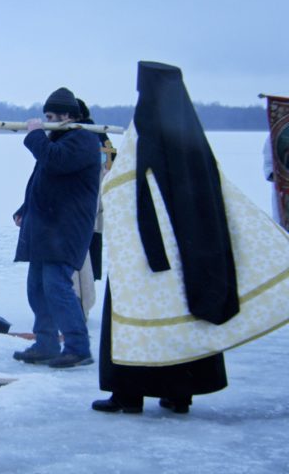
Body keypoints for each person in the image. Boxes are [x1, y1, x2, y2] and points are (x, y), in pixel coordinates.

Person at [92, 61, 233, 414]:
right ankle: (179, 390)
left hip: (146, 247)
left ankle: (129, 393)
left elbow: (137, 186)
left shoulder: (148, 126)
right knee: (179, 314)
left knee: (134, 315)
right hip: (187, 248)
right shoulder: (190, 131)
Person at [12, 87, 101, 369]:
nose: (47, 120)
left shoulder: (83, 139)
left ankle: (78, 346)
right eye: (45, 116)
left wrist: (35, 135)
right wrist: (24, 209)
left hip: (66, 228)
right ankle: (46, 342)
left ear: (67, 116)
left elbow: (55, 161)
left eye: (51, 116)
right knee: (37, 287)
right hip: (46, 226)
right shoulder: (60, 140)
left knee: (56, 287)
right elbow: (43, 178)